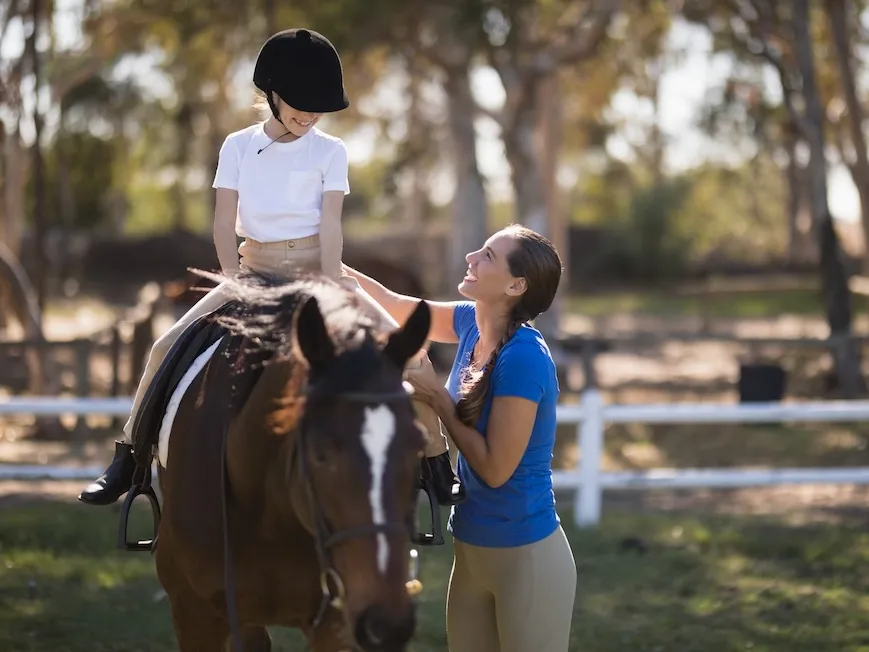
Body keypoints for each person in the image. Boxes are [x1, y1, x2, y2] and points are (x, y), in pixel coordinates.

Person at [77, 27, 462, 508]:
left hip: (317, 266)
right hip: (251, 269)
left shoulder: (331, 151)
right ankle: (130, 458)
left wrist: (330, 282)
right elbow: (222, 222)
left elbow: (331, 226)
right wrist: (233, 280)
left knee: (412, 354)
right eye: (301, 103)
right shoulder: (237, 146)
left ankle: (434, 461)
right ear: (272, 95)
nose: (310, 114)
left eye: (319, 106)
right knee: (163, 347)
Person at [342, 223, 577, 652]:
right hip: (470, 550)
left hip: (527, 558)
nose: (471, 257)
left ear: (515, 285)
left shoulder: (524, 357)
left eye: (487, 255)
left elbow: (494, 469)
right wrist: (323, 263)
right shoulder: (472, 322)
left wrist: (437, 398)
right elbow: (394, 306)